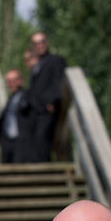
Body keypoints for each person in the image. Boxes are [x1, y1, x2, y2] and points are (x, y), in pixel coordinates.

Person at [19, 32, 66, 163]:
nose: (39, 45)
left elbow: (58, 82)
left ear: (47, 42)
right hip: (34, 111)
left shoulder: (55, 60)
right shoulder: (36, 65)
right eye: (36, 43)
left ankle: (45, 171)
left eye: (42, 41)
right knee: (34, 141)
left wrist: (52, 102)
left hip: (46, 109)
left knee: (42, 139)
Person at [0, 69, 27, 163]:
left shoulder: (28, 96)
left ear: (21, 80)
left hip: (22, 140)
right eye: (9, 81)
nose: (11, 83)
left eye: (14, 80)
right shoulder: (10, 100)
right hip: (7, 141)